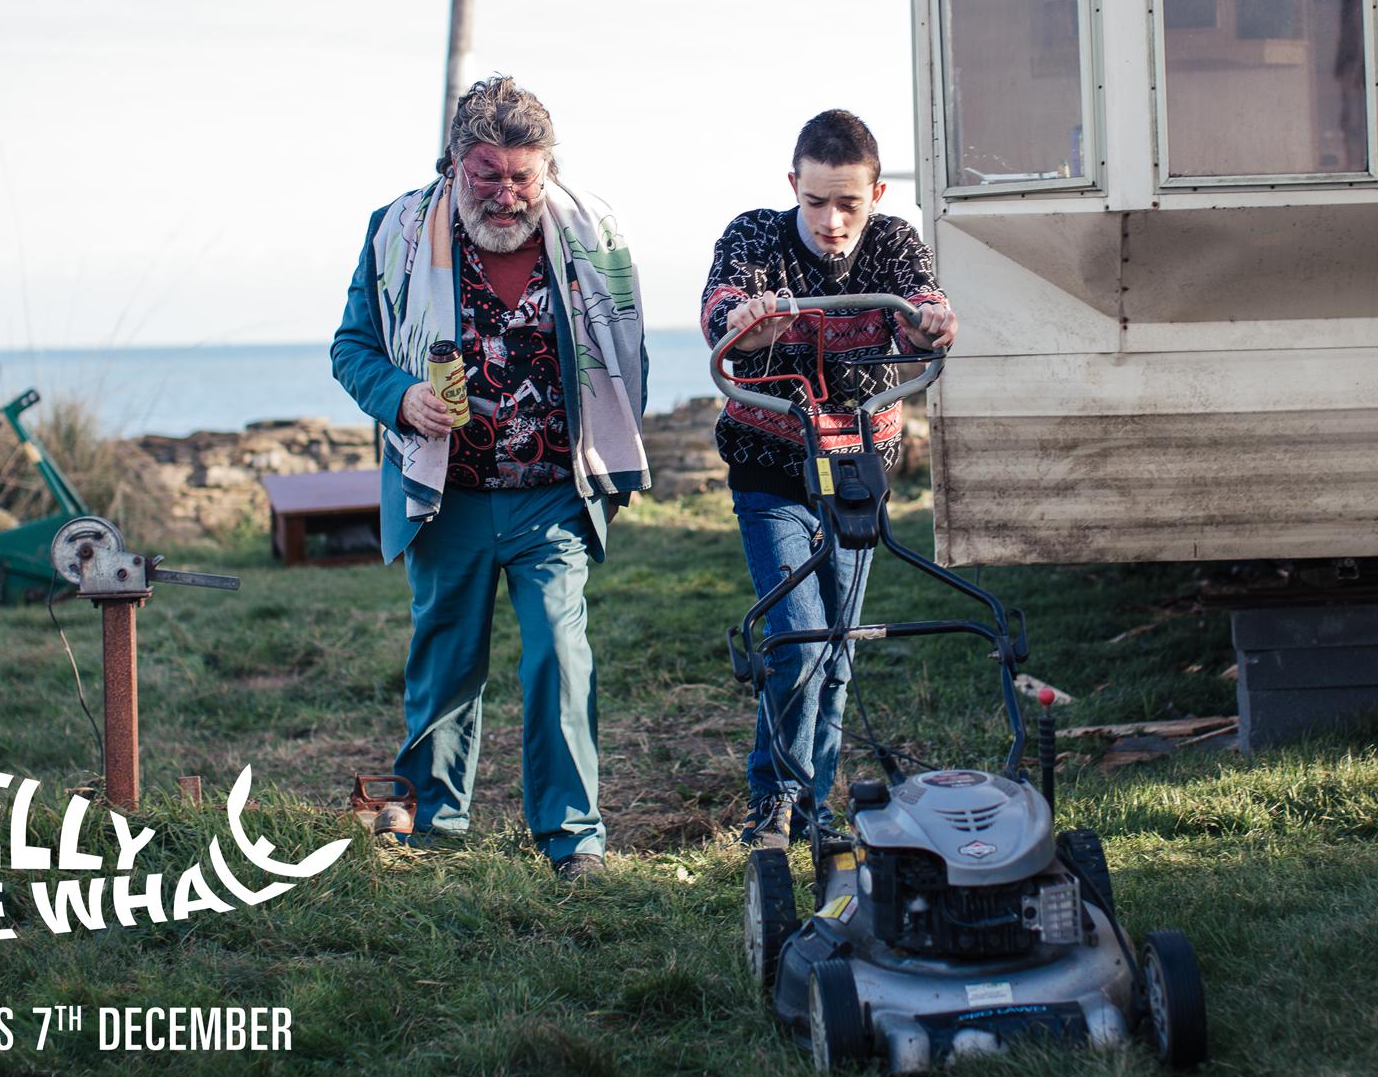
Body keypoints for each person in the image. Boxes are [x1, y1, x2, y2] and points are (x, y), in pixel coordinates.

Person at [331, 75, 649, 881]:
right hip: (447, 495)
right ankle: (432, 829)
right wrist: (401, 397)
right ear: (453, 165)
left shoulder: (593, 233)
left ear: (547, 169)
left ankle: (573, 839)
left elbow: (626, 351)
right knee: (444, 663)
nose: (506, 195)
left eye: (522, 176)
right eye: (486, 174)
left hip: (551, 495)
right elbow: (351, 349)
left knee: (558, 654)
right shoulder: (395, 231)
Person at [698, 109, 957, 851]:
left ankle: (816, 804)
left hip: (856, 466)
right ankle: (774, 799)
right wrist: (746, 320)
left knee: (838, 647)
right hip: (771, 465)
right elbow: (721, 308)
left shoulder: (894, 242)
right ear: (794, 187)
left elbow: (919, 307)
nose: (833, 221)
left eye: (849, 202)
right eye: (816, 202)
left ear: (876, 191)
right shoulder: (755, 236)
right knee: (801, 638)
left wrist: (931, 323)